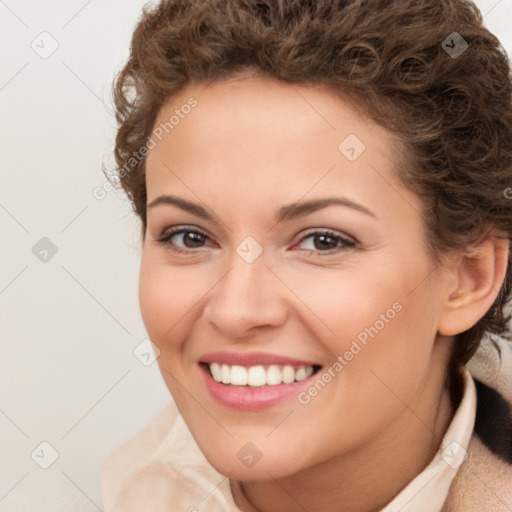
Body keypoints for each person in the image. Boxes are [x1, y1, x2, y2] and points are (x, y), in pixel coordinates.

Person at [101, 0, 512, 510]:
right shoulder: (123, 489)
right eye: (189, 236)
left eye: (323, 241)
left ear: (469, 276)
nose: (235, 310)